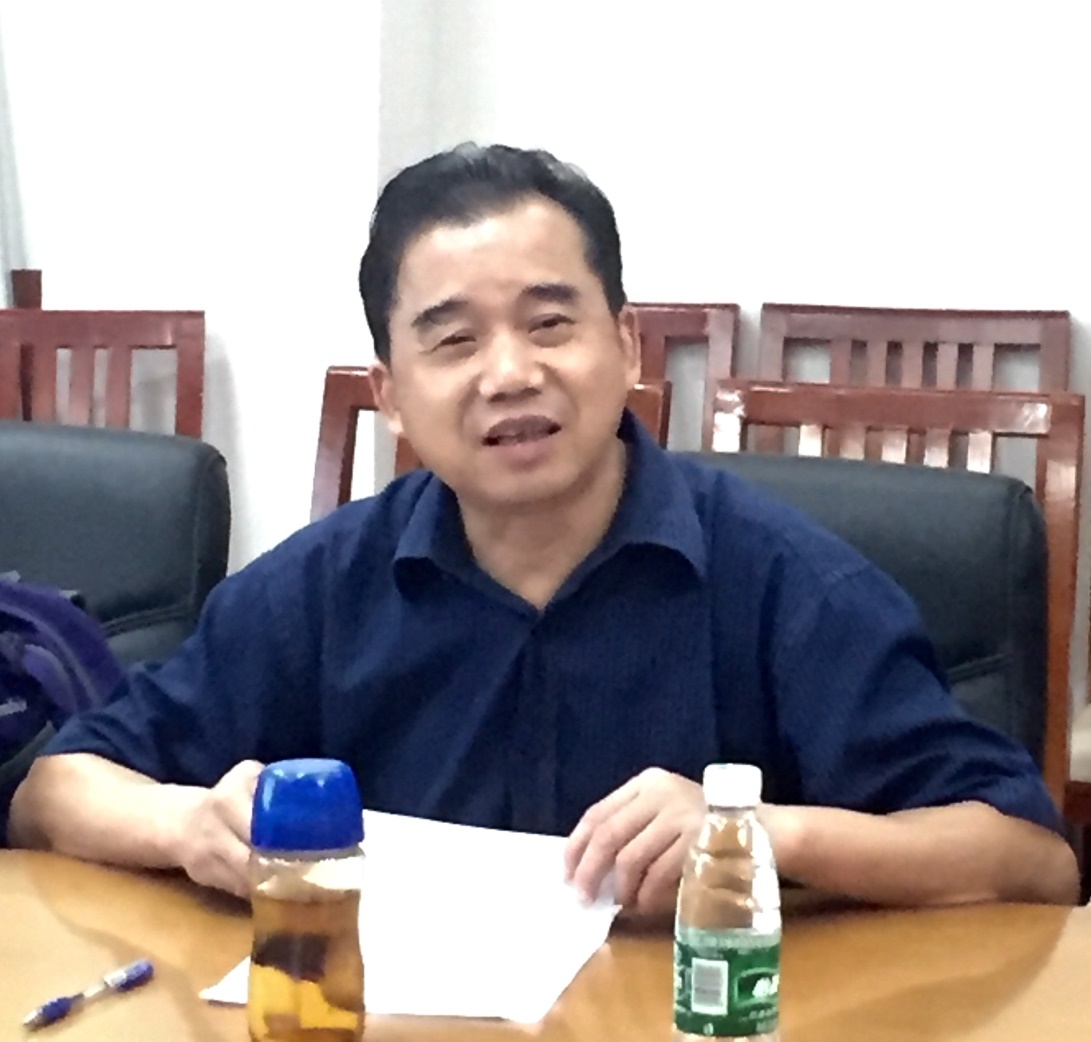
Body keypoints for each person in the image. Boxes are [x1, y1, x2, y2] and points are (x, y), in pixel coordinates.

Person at [8, 144, 1078, 910]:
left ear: (625, 346)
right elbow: (58, 789)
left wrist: (757, 834)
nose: (510, 373)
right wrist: (190, 824)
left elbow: (1028, 857)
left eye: (550, 322)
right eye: (453, 340)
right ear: (391, 394)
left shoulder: (786, 582)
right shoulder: (319, 587)